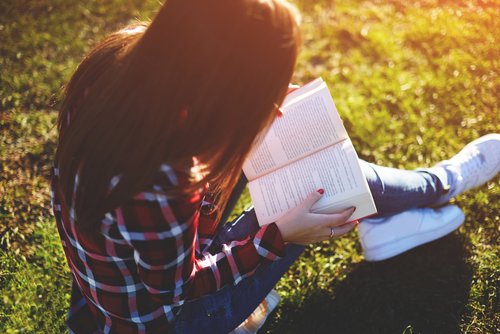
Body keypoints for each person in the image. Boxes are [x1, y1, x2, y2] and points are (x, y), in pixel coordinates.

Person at [51, 0, 500, 332]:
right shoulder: (160, 181)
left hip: (107, 284)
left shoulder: (118, 62)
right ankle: (439, 184)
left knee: (291, 146)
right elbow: (181, 288)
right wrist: (280, 237)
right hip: (173, 321)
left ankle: (387, 212)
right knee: (319, 183)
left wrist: (250, 100)